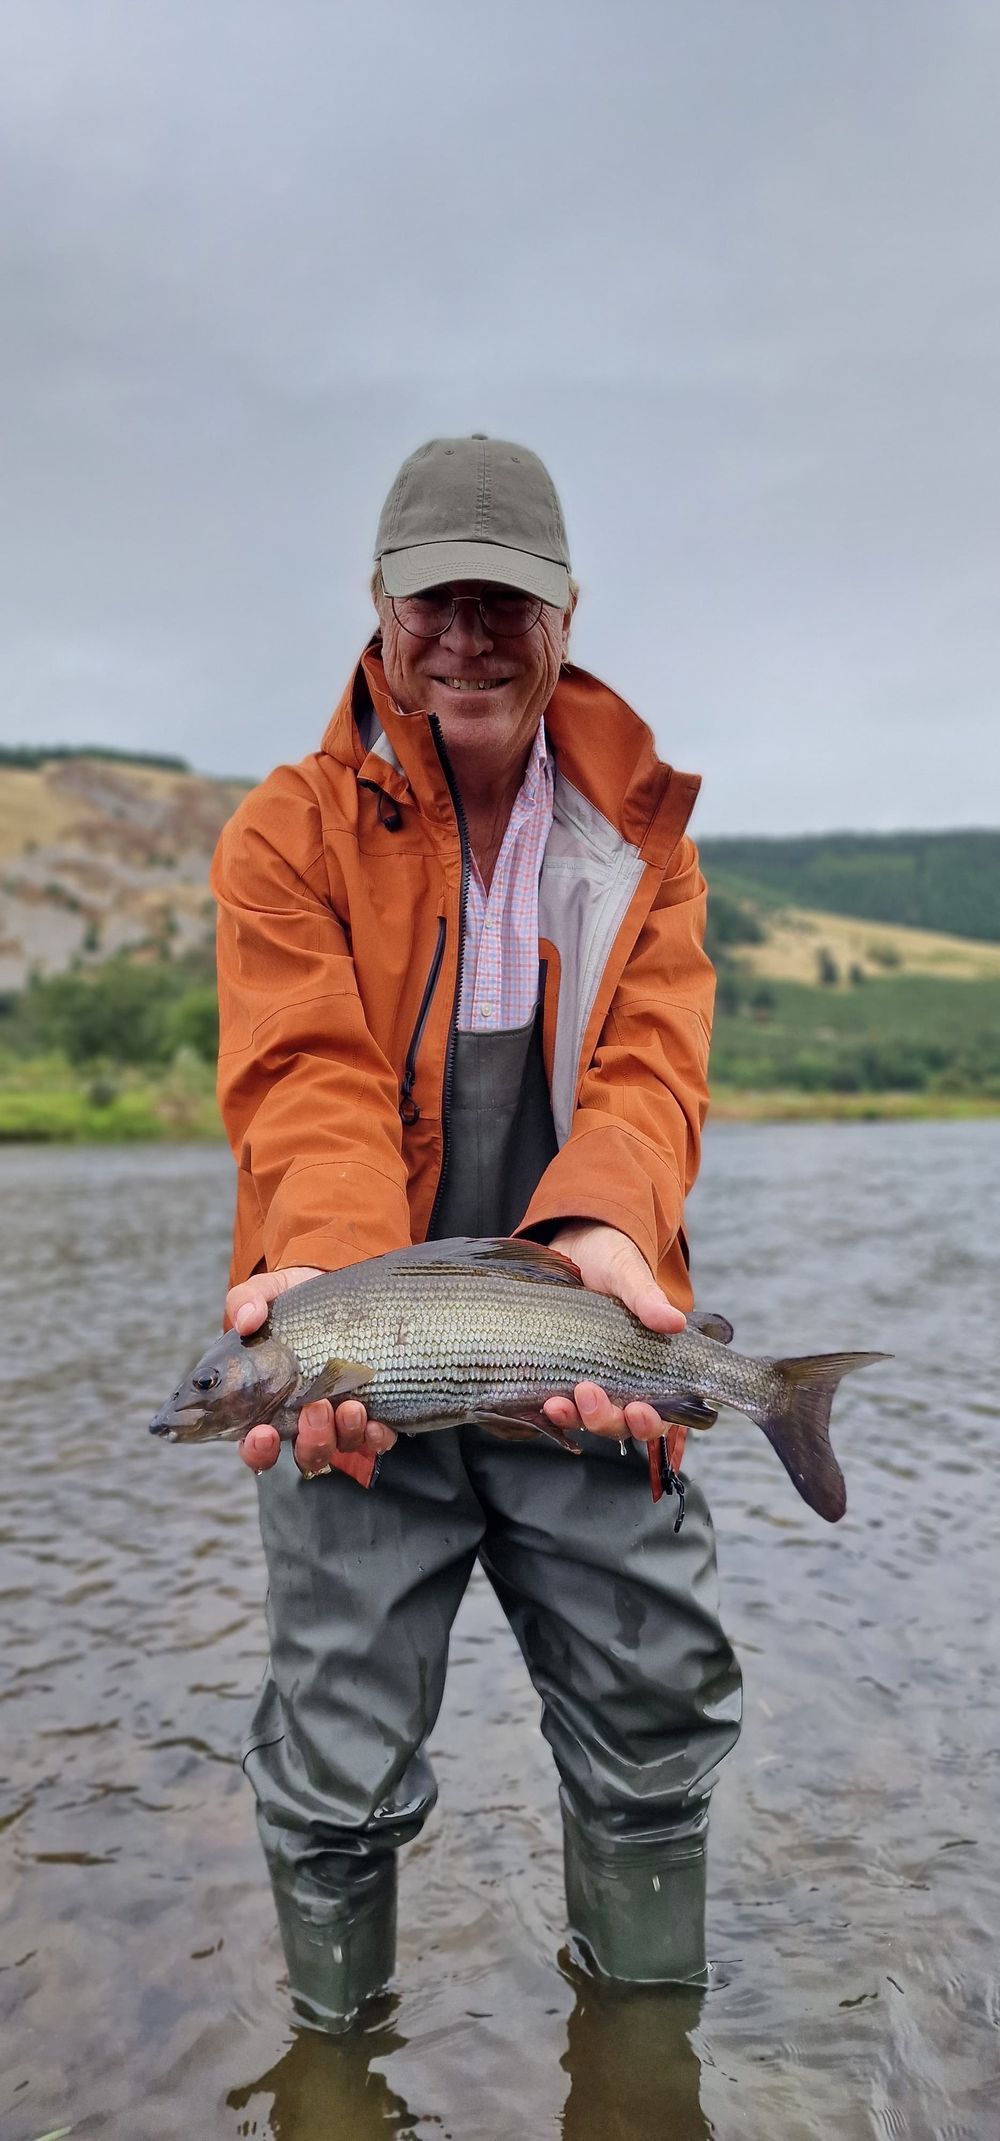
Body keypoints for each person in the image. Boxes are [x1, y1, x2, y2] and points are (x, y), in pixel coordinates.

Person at [211, 434, 742, 2033]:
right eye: (433, 598)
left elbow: (653, 1072)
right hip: (364, 1356)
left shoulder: (646, 842)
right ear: (377, 613)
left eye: (501, 599)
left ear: (564, 613)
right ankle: (338, 2048)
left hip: (580, 1322)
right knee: (336, 1751)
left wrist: (604, 1225)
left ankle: (645, 2065)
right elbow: (303, 1075)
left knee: (660, 1703)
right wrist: (327, 1283)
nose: (466, 633)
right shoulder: (285, 835)